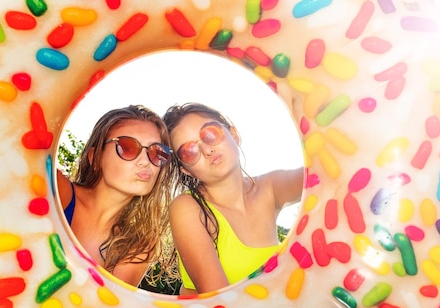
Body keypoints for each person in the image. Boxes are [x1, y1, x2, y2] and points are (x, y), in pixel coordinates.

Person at [163, 102, 304, 295]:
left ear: (233, 134)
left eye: (210, 134)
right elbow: (221, 303)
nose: (206, 150)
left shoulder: (270, 187)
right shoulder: (187, 208)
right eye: (189, 151)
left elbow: (324, 177)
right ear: (186, 170)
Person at [57, 105, 175, 288]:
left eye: (156, 152)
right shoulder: (58, 191)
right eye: (128, 147)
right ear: (95, 157)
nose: (145, 162)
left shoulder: (137, 247)